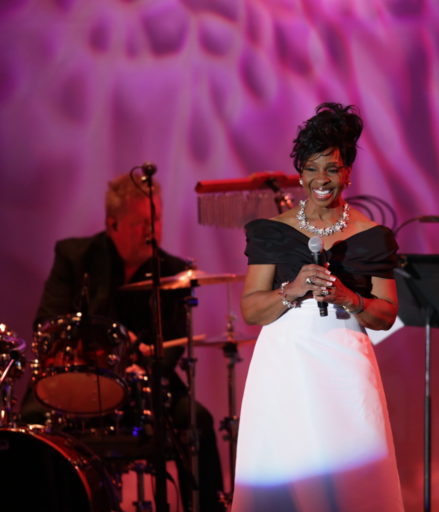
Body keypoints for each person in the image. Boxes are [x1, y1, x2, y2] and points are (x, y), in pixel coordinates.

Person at [232, 102, 404, 511]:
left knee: (352, 481)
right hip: (285, 367)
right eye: (311, 168)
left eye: (331, 168)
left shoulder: (373, 235)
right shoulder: (273, 233)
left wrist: (351, 298)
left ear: (347, 172)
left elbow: (386, 315)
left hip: (345, 367)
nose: (321, 179)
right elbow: (252, 311)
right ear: (300, 173)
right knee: (286, 472)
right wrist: (291, 291)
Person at [24, 172, 225, 512]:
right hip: (77, 383)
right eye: (139, 222)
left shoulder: (173, 271)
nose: (152, 230)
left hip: (141, 388)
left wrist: (142, 363)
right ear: (113, 224)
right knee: (30, 420)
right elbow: (46, 325)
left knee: (198, 420)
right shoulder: (75, 257)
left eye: (156, 218)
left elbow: (172, 350)